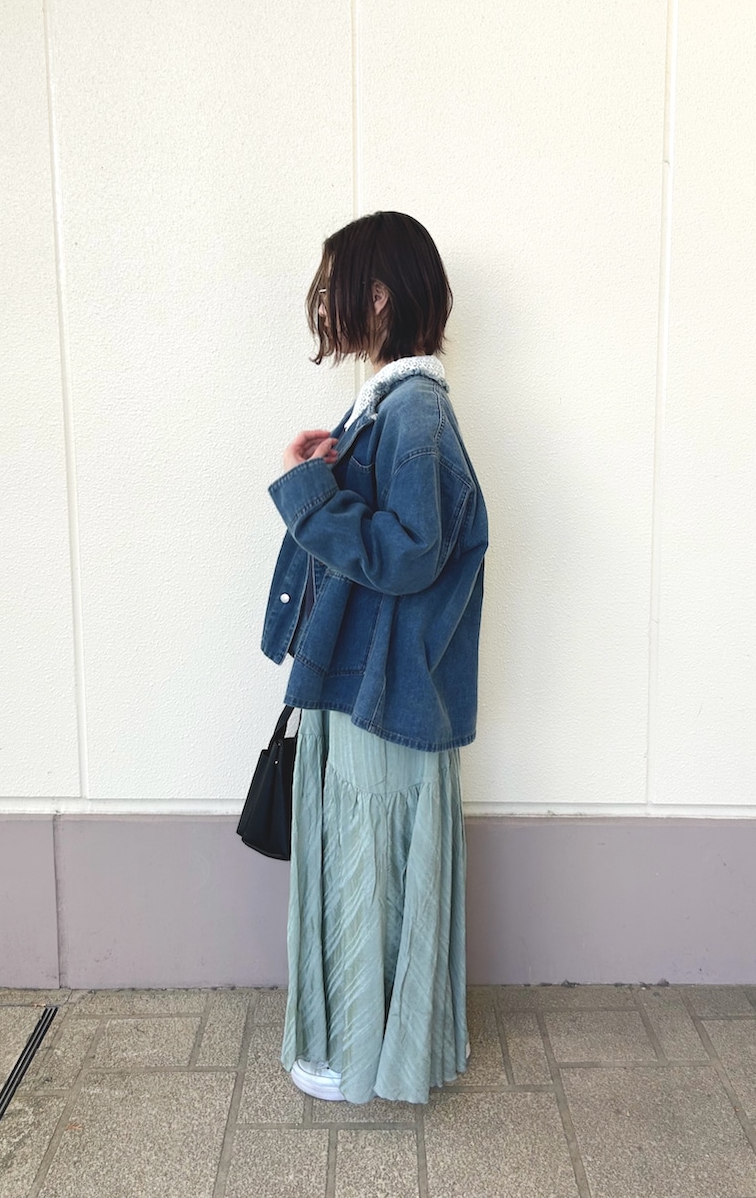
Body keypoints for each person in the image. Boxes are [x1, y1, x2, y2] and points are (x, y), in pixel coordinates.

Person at [260, 211, 488, 1105]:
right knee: (365, 863)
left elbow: (409, 553)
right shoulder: (389, 407)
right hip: (367, 685)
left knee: (369, 868)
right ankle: (366, 1045)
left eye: (335, 287)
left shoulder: (415, 413)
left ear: (381, 295)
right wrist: (323, 471)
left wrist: (311, 493)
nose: (324, 305)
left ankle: (365, 1055)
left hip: (381, 694)